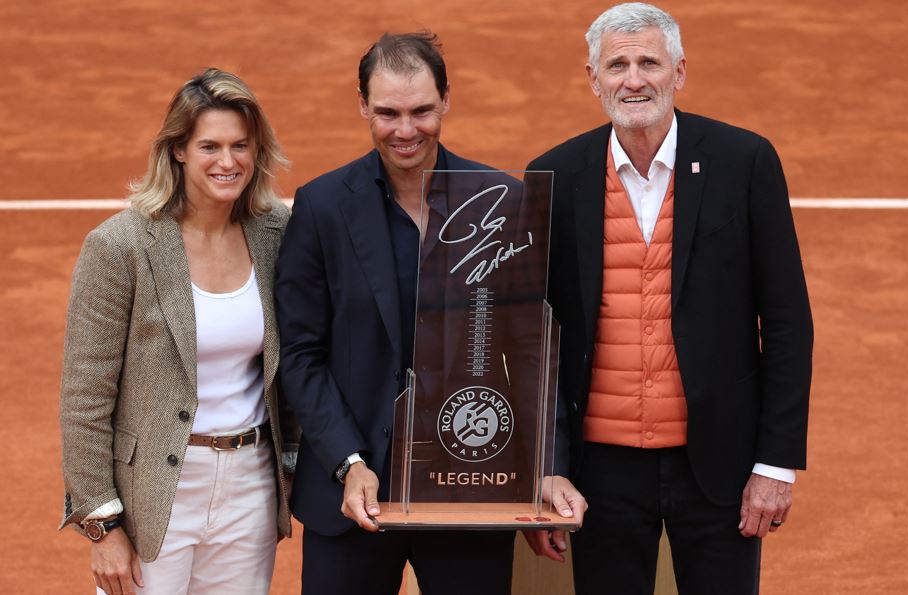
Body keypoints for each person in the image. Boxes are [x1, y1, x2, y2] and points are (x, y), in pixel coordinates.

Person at [275, 31, 585, 595]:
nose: (405, 130)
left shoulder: (501, 202)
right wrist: (350, 462)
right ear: (363, 105)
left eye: (421, 110)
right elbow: (301, 353)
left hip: (469, 490)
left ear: (446, 100)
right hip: (353, 498)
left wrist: (544, 467)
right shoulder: (320, 207)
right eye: (388, 113)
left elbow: (533, 351)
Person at [525, 3, 814, 594]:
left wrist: (774, 465)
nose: (634, 80)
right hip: (598, 472)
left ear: (678, 72)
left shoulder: (745, 162)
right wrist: (544, 471)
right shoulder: (553, 175)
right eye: (618, 65)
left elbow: (786, 320)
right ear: (593, 78)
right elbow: (538, 339)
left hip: (720, 466)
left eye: (649, 63)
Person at [59, 68, 298, 595]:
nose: (228, 161)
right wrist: (101, 525)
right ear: (179, 150)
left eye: (241, 146)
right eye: (209, 145)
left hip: (249, 488)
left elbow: (296, 359)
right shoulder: (120, 247)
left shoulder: (276, 234)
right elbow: (85, 397)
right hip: (155, 490)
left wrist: (289, 464)